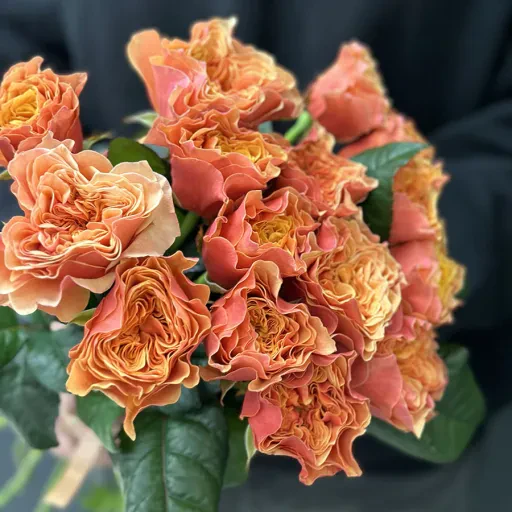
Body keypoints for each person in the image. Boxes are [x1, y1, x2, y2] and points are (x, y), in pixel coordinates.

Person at [0, 1, 511, 510]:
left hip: (388, 449)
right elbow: (15, 33)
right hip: (141, 372)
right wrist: (48, 266)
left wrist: (395, 255)